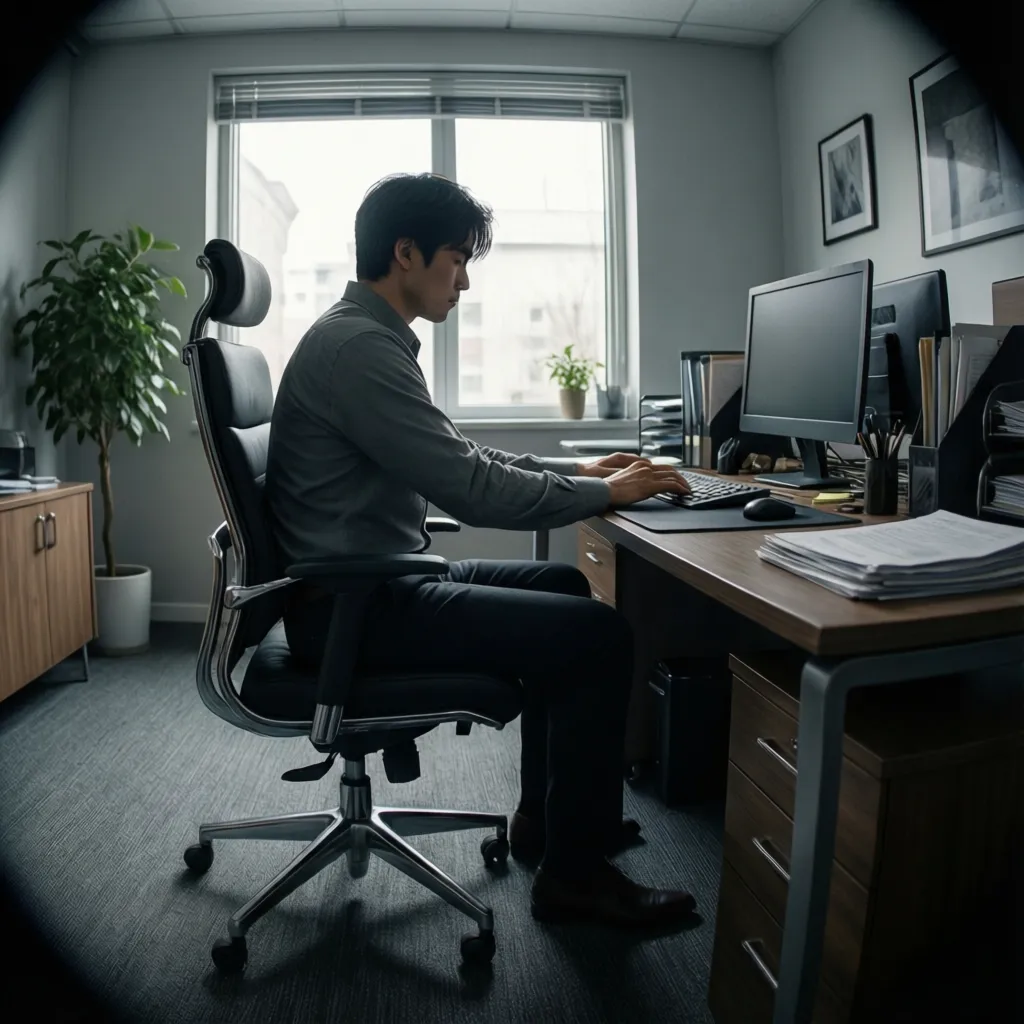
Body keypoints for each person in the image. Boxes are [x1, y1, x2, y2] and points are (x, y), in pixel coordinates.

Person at [265, 172, 697, 928]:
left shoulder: (364, 337)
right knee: (598, 636)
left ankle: (547, 823)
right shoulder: (359, 349)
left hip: (373, 583)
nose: (464, 281)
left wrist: (582, 474)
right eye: (457, 259)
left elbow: (460, 456)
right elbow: (471, 488)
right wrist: (604, 495)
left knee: (564, 587)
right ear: (406, 253)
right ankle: (575, 877)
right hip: (356, 608)